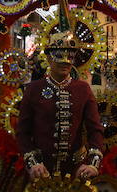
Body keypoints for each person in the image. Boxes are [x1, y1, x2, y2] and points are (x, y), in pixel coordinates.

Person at [16, 30, 104, 180]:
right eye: (59, 55)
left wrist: (92, 164)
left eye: (70, 56)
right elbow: (23, 132)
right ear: (49, 58)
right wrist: (33, 163)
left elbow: (95, 129)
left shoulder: (83, 89)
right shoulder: (34, 89)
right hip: (41, 170)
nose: (65, 61)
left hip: (76, 170)